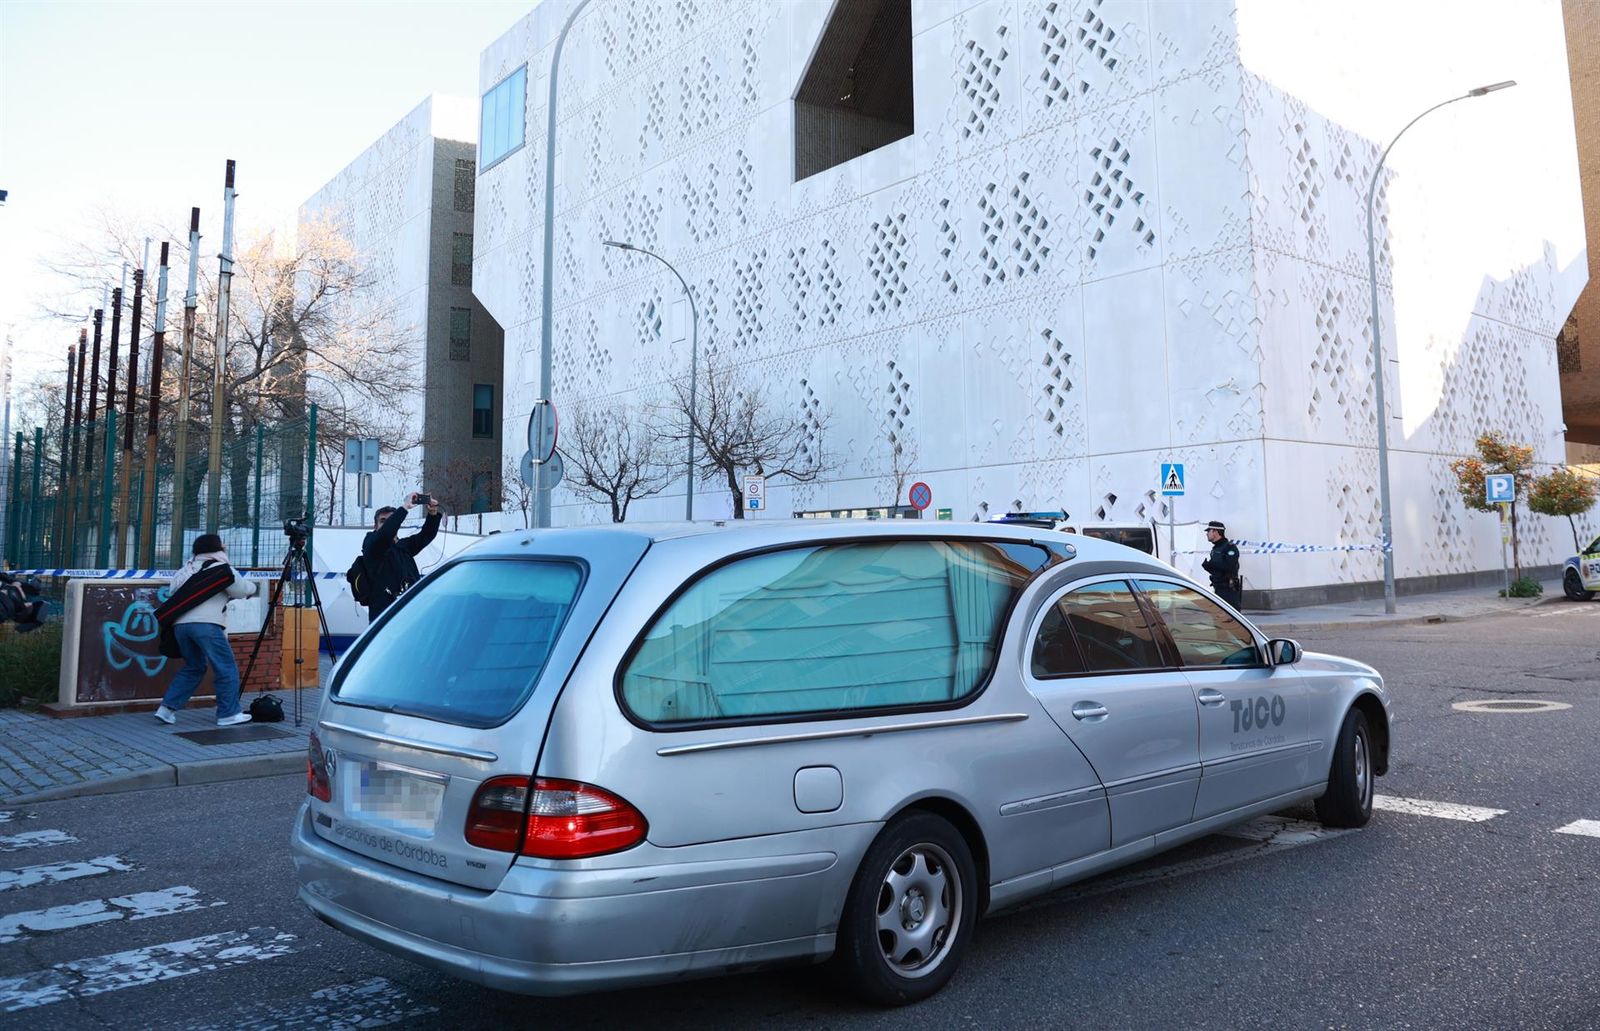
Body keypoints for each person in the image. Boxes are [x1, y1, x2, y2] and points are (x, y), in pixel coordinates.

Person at [155, 534, 259, 727]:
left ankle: (166, 709)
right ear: (217, 548)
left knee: (194, 667)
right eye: (222, 543)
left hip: (180, 626)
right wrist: (253, 587)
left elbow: (173, 593)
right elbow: (241, 590)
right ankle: (228, 714)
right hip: (206, 625)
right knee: (225, 667)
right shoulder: (221, 568)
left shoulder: (184, 570)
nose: (225, 546)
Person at [362, 492, 442, 620]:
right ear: (375, 526)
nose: (388, 524)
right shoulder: (371, 544)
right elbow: (384, 535)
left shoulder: (403, 546)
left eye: (391, 520)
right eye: (383, 521)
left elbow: (426, 535)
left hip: (411, 613)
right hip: (385, 618)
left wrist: (432, 513)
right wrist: (405, 507)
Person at [1201, 519, 1244, 609]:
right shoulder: (1216, 548)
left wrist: (1212, 565)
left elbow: (1230, 566)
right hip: (1218, 588)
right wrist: (1208, 567)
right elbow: (1218, 571)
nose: (1207, 534)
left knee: (1229, 615)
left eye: (1209, 531)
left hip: (1228, 590)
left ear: (1215, 532)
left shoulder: (1229, 548)